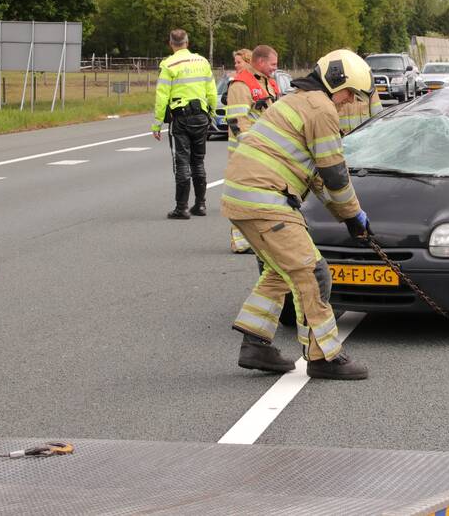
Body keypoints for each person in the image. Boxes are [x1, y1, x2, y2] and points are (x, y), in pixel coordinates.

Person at [223, 49, 373, 380]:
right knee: (313, 271)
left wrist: (349, 216)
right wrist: (353, 217)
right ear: (338, 82)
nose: (349, 102)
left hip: (243, 196)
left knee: (281, 270)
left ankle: (255, 344)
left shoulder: (298, 100)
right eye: (350, 93)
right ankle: (324, 357)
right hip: (264, 198)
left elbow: (318, 178)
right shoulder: (321, 109)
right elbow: (334, 175)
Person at [152, 29, 217, 219]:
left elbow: (161, 96)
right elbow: (212, 91)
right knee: (198, 161)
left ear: (171, 44)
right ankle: (201, 205)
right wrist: (210, 113)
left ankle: (182, 208)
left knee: (181, 162)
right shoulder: (202, 62)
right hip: (201, 116)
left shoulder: (169, 64)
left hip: (180, 118)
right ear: (187, 43)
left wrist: (157, 124)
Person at [226, 46, 281, 252]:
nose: (276, 68)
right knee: (243, 197)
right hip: (246, 152)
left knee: (263, 197)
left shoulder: (269, 83)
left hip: (265, 151)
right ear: (260, 62)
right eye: (273, 64)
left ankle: (260, 239)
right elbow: (237, 121)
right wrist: (252, 147)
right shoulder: (241, 84)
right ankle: (240, 242)